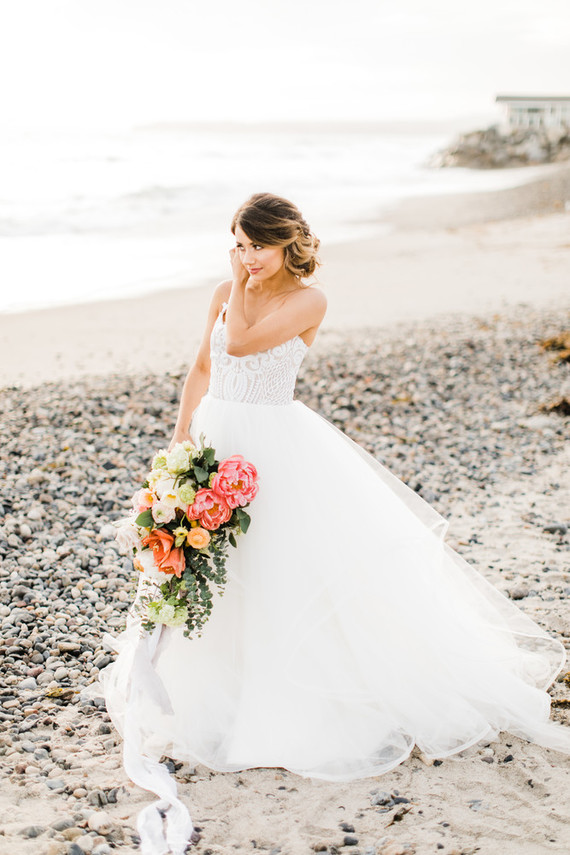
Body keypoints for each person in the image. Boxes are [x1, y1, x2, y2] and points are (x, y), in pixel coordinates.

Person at [99, 192, 570, 854]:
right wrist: (178, 443)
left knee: (282, 571)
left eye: (255, 246)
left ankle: (296, 699)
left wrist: (238, 283)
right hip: (216, 439)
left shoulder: (308, 301)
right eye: (236, 242)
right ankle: (210, 693)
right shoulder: (224, 287)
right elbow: (205, 364)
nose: (243, 256)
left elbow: (238, 341)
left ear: (287, 246)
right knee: (215, 568)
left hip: (274, 449)